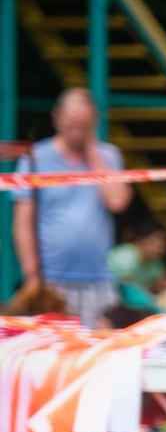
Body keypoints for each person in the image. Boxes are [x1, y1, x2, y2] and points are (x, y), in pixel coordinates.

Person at [13, 88, 130, 327]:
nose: (78, 130)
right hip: (50, 282)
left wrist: (90, 151)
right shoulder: (35, 159)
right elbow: (22, 223)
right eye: (72, 123)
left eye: (84, 124)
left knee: (99, 354)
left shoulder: (109, 155)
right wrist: (32, 275)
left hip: (99, 281)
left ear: (94, 122)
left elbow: (117, 201)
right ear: (57, 118)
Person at [107, 216, 166, 312]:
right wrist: (154, 287)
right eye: (158, 239)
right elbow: (128, 289)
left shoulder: (154, 261)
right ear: (141, 240)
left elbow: (165, 281)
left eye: (164, 241)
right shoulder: (126, 254)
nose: (162, 245)